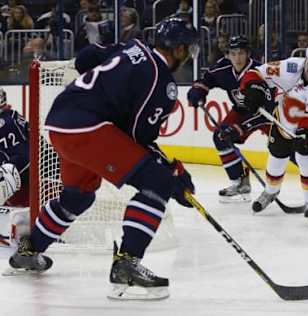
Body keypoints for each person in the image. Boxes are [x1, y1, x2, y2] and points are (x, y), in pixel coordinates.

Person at [6, 17, 199, 301]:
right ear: (180, 50)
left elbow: (86, 57)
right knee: (157, 185)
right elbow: (137, 139)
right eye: (189, 50)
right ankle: (127, 265)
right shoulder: (162, 83)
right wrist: (171, 173)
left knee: (78, 196)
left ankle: (30, 251)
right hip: (87, 128)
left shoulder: (132, 48)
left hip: (59, 123)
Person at [240, 41, 308, 224]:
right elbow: (257, 73)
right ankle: (270, 192)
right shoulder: (291, 66)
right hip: (282, 121)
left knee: (306, 158)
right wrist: (254, 89)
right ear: (307, 60)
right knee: (276, 158)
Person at [187, 35, 266, 203]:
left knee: (284, 144)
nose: (237, 58)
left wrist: (242, 127)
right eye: (233, 53)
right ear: (228, 55)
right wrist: (198, 91)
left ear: (248, 54)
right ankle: (239, 182)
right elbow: (206, 80)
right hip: (241, 111)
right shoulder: (223, 68)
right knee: (221, 136)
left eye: (241, 53)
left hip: (264, 113)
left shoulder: (260, 71)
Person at [0, 88, 28, 208]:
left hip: (20, 172)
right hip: (25, 171)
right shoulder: (13, 115)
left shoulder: (9, 118)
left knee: (7, 170)